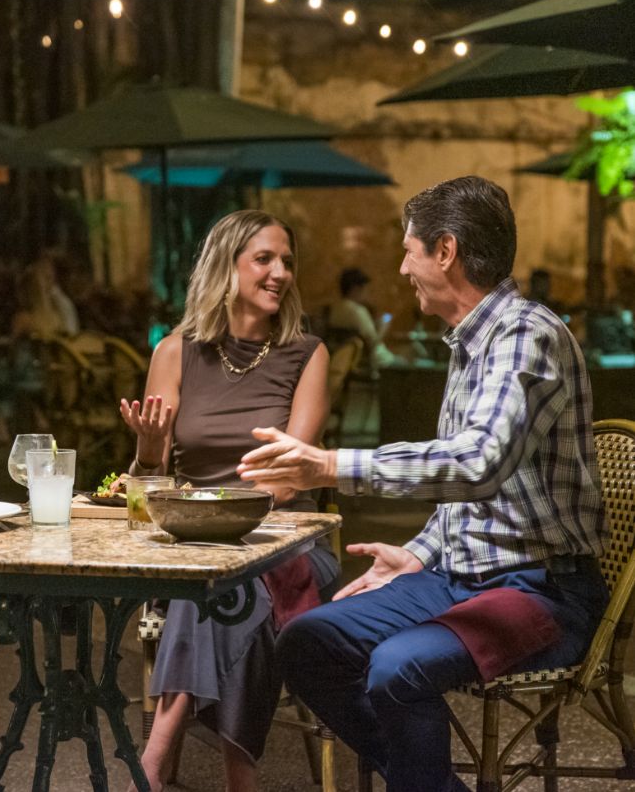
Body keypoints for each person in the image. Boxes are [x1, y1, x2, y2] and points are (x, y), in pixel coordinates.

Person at [237, 176, 608, 792]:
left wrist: (331, 466)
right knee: (306, 641)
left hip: (544, 589)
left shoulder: (525, 335)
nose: (402, 266)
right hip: (460, 577)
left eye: (409, 249)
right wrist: (420, 552)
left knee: (397, 667)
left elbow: (477, 464)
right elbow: (476, 489)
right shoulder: (471, 343)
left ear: (445, 250)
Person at [119, 209, 339, 792]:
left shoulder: (307, 353)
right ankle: (238, 780)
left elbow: (291, 477)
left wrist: (225, 518)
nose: (280, 272)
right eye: (264, 259)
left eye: (287, 261)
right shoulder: (175, 351)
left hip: (285, 541)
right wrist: (146, 451)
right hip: (192, 542)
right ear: (226, 266)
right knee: (218, 580)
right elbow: (148, 486)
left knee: (224, 581)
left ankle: (152, 762)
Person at [327, 267, 397, 375]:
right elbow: (372, 344)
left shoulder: (335, 309)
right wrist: (384, 327)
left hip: (348, 364)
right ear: (355, 288)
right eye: (365, 289)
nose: (367, 293)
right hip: (378, 363)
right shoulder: (357, 311)